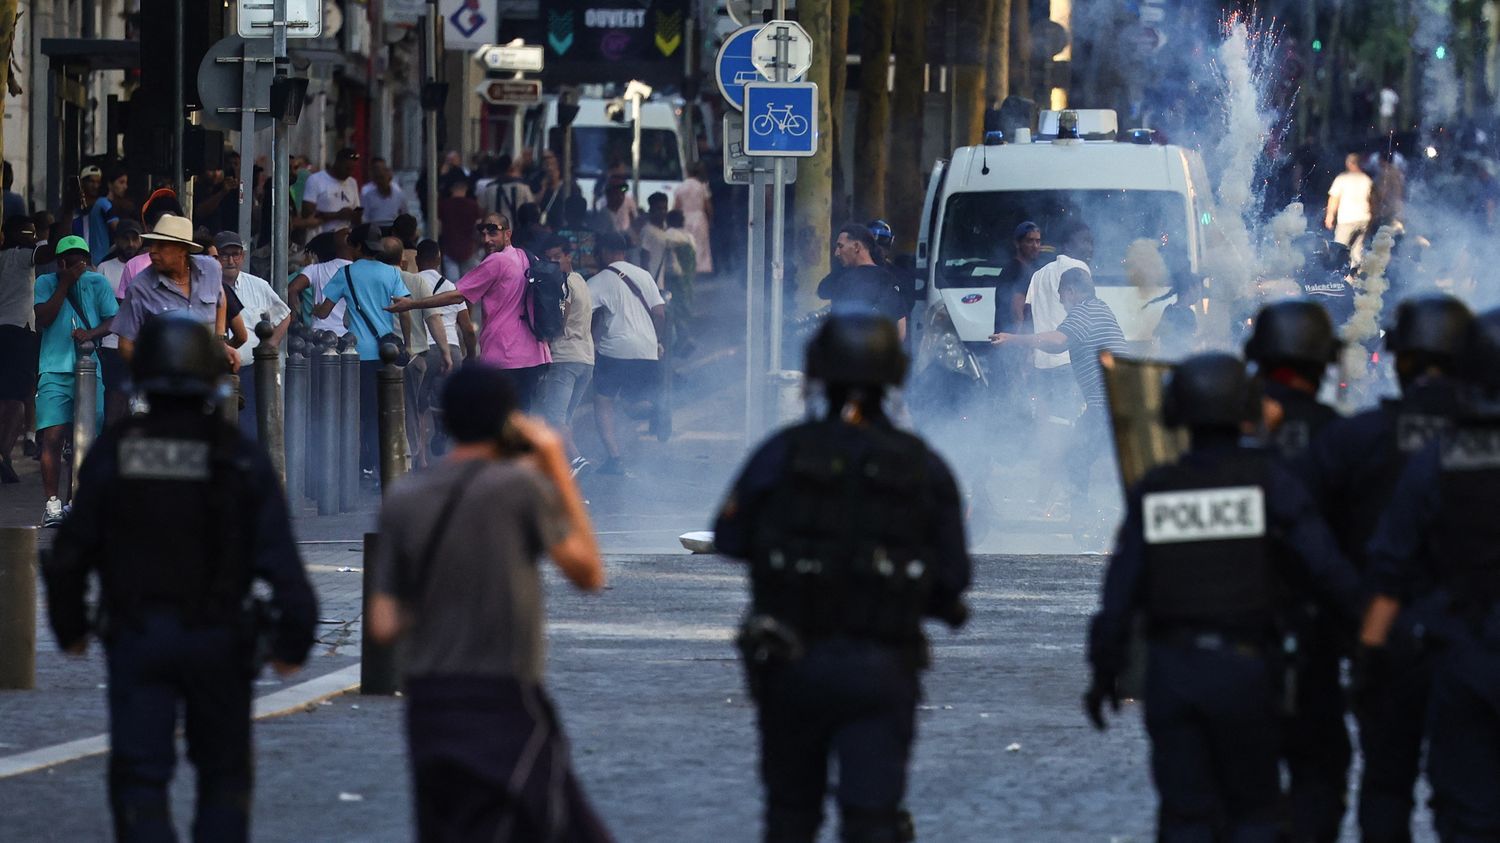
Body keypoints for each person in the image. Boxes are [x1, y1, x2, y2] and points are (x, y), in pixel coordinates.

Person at [42, 313, 318, 843]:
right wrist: (294, 641)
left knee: (140, 779)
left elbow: (70, 554)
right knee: (223, 779)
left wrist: (70, 626)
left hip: (137, 636)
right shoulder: (237, 455)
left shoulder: (115, 452)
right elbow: (283, 564)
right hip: (220, 639)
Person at [713, 314, 971, 843]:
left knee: (790, 816)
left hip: (790, 664)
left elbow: (729, 538)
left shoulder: (782, 453)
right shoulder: (923, 465)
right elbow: (954, 577)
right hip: (883, 665)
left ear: (815, 375)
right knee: (873, 819)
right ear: (895, 376)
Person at [1086, 352, 1362, 841]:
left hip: (1172, 675)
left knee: (1186, 818)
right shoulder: (1269, 483)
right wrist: (1370, 637)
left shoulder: (1157, 488)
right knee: (1254, 814)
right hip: (1247, 671)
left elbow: (1120, 592)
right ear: (1248, 410)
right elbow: (1326, 570)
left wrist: (1105, 671)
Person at [368, 364, 612, 843]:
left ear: (443, 420)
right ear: (508, 421)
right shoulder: (517, 490)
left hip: (429, 705)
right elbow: (588, 573)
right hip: (504, 698)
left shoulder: (403, 498)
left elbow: (382, 624)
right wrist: (557, 468)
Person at [1305, 295, 1472, 842]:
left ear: (1400, 361)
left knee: (1385, 784)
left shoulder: (1356, 438)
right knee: (1476, 793)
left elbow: (1311, 535)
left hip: (1385, 631)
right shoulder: (1485, 444)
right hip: (1475, 634)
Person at [1359, 305, 1500, 842]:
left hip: (1462, 649)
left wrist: (1370, 657)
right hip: (1460, 642)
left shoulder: (1439, 459)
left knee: (1468, 817)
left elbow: (1391, 568)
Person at [1242, 298, 1347, 842]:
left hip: (1229, 633)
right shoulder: (1341, 435)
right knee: (1318, 775)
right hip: (1314, 634)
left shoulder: (1221, 438)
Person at [990, 268, 1126, 541]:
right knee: (1095, 461)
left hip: (1109, 404)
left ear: (1072, 292)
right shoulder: (1100, 309)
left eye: (1062, 295)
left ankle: (1087, 526)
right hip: (1116, 402)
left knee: (1078, 460)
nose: (1062, 301)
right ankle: (1099, 522)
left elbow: (1058, 342)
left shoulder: (1085, 311)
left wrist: (1013, 339)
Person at [389, 213, 552, 412]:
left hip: (505, 354)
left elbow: (456, 295)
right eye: (482, 233)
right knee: (523, 418)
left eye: (493, 231)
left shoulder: (496, 261)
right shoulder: (527, 257)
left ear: (508, 234)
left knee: (498, 419)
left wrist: (412, 304)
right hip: (535, 353)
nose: (486, 239)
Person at [312, 226, 413, 477]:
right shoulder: (391, 272)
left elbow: (324, 312)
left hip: (357, 354)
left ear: (356, 247)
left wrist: (312, 309)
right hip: (387, 352)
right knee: (385, 412)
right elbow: (405, 310)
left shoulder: (345, 273)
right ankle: (385, 470)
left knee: (357, 414)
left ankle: (358, 467)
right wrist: (407, 343)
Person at [33, 235, 116, 525]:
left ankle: (74, 503)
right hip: (54, 369)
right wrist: (65, 283)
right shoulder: (46, 283)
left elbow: (112, 320)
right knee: (53, 437)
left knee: (84, 440)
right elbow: (42, 317)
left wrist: (90, 334)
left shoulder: (98, 283)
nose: (78, 263)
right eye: (71, 259)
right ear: (60, 262)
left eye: (82, 257)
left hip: (90, 370)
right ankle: (52, 504)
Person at [586, 233, 664, 476]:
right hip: (647, 348)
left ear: (604, 252)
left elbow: (581, 314)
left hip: (615, 350)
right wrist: (657, 342)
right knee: (635, 403)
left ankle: (615, 458)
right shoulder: (644, 275)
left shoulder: (598, 280)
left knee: (603, 401)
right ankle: (656, 408)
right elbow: (660, 313)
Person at [112, 214, 232, 371]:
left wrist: (220, 339)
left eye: (161, 246)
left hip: (203, 380)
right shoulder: (140, 287)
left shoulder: (211, 269)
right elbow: (125, 344)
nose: (152, 251)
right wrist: (150, 374)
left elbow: (220, 299)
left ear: (182, 250)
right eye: (153, 244)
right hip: (162, 384)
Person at [379, 236, 450, 470]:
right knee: (409, 410)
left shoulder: (373, 281)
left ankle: (381, 462)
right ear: (403, 260)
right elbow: (434, 320)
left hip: (376, 357)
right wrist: (445, 353)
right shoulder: (416, 282)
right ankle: (407, 460)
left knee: (379, 411)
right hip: (413, 358)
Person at [216, 231, 292, 438]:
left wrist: (270, 346)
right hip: (216, 370)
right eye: (224, 255)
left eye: (235, 254)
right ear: (215, 257)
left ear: (242, 256)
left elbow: (285, 315)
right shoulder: (206, 286)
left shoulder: (258, 285)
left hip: (250, 369)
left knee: (250, 424)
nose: (230, 260)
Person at [535, 234, 594, 475]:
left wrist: (544, 334)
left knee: (554, 416)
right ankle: (561, 468)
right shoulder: (581, 280)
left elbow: (560, 321)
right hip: (586, 359)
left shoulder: (564, 284)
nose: (552, 264)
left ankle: (577, 460)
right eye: (548, 260)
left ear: (568, 256)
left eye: (557, 258)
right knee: (565, 417)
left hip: (565, 358)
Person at [817, 223, 907, 335]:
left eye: (841, 246)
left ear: (856, 247)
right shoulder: (887, 278)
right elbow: (900, 327)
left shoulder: (848, 279)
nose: (837, 253)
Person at [0, 215, 36, 483]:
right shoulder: (24, 256)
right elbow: (50, 249)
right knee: (17, 400)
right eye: (29, 233)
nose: (33, 237)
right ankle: (4, 454)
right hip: (18, 331)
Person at [287, 230, 354, 338]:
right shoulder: (358, 270)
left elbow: (291, 289)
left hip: (319, 334)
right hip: (349, 335)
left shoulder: (315, 269)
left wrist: (294, 319)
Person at [1325, 153, 1374, 266]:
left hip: (1347, 219)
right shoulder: (1367, 179)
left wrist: (1330, 215)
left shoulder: (1342, 178)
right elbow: (1372, 200)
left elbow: (1334, 198)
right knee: (1357, 252)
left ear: (1349, 163)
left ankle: (1338, 278)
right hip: (1364, 219)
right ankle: (1355, 278)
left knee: (1339, 249)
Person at [993, 222, 1041, 335]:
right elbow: (1017, 311)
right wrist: (1021, 343)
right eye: (1030, 241)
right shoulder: (1014, 270)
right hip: (1013, 339)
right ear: (1017, 243)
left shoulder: (1031, 269)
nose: (1035, 246)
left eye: (1038, 241)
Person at [302, 147, 363, 235]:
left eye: (352, 169)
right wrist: (337, 215)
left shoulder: (352, 182)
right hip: (319, 238)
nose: (349, 173)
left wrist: (355, 215)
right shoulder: (316, 180)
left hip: (344, 240)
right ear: (338, 162)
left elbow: (356, 210)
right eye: (347, 168)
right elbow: (307, 214)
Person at [673, 161, 714, 275]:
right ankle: (700, 269)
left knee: (687, 243)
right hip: (699, 218)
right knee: (700, 244)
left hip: (685, 218)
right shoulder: (702, 187)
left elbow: (676, 206)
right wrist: (710, 220)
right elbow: (708, 206)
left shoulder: (680, 187)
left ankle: (686, 267)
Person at [437, 177, 482, 279]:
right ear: (465, 189)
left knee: (452, 283)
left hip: (449, 247)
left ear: (451, 190)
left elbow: (438, 228)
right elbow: (477, 228)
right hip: (468, 248)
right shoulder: (473, 205)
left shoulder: (443, 205)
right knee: (468, 282)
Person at [360, 157, 407, 230]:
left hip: (394, 230)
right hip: (375, 231)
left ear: (389, 178)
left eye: (383, 177)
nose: (382, 181)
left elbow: (405, 214)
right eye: (379, 178)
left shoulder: (399, 194)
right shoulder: (368, 195)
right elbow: (364, 218)